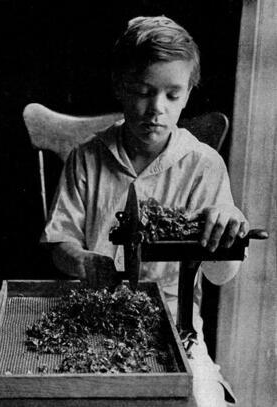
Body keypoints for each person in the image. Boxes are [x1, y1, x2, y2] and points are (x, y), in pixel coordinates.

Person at [41, 16, 248, 406]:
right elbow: (59, 241)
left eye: (172, 95)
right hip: (94, 313)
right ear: (120, 85)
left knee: (201, 401)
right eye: (142, 91)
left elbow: (219, 276)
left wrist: (227, 232)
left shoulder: (204, 166)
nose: (156, 108)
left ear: (188, 94)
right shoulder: (87, 158)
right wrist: (85, 261)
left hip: (176, 325)